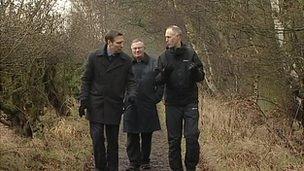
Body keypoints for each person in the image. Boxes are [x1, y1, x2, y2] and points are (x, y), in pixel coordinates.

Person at [79, 30, 137, 171]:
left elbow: (131, 81)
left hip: (114, 104)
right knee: (97, 138)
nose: (122, 45)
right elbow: (86, 79)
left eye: (122, 42)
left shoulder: (126, 60)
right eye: (119, 43)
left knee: (112, 141)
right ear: (109, 42)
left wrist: (131, 95)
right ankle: (101, 167)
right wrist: (83, 99)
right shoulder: (94, 57)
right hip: (96, 104)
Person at [155, 25, 205, 171]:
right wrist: (164, 73)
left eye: (169, 36)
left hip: (190, 102)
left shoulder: (191, 53)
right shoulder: (163, 57)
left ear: (178, 37)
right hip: (172, 103)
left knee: (191, 136)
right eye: (165, 37)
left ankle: (191, 167)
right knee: (174, 140)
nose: (166, 39)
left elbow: (201, 77)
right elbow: (157, 80)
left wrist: (195, 71)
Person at [123, 39, 163, 170]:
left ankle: (145, 161)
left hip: (148, 104)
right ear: (131, 50)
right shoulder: (126, 64)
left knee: (147, 135)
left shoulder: (154, 63)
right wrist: (124, 100)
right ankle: (133, 162)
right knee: (131, 135)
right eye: (134, 48)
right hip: (131, 104)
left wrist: (156, 98)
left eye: (139, 48)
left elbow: (161, 82)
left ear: (144, 48)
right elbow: (121, 83)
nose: (137, 51)